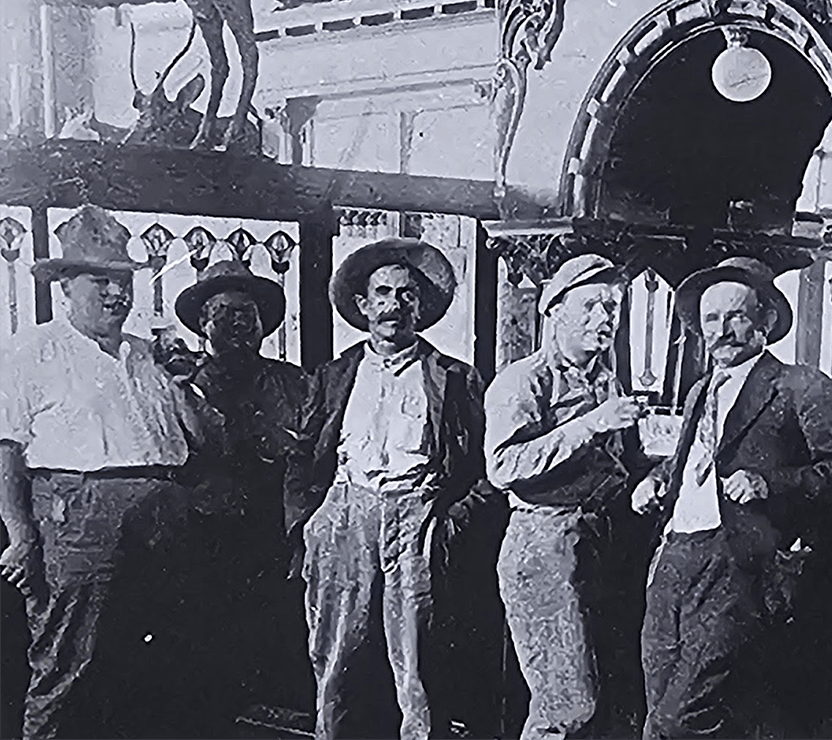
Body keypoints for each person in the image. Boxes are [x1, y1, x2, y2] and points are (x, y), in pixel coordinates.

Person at [630, 256, 832, 739]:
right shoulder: (702, 389)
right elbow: (701, 456)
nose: (723, 330)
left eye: (737, 316)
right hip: (675, 555)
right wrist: (658, 479)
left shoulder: (799, 385)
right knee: (658, 700)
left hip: (738, 565)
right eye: (711, 320)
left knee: (681, 717)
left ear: (765, 322)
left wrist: (770, 483)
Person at [0, 205, 216, 740]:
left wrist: (184, 381)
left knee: (157, 662)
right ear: (66, 287)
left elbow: (206, 443)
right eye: (102, 281)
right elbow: (4, 452)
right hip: (79, 519)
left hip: (165, 515)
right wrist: (21, 533)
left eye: (123, 281)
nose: (117, 294)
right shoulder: (32, 351)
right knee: (69, 661)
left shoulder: (149, 355)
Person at [286, 238, 497, 740]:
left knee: (417, 661)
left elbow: (484, 467)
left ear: (422, 307)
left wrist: (448, 525)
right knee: (336, 653)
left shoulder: (454, 378)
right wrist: (309, 524)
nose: (393, 306)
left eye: (406, 295)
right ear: (363, 306)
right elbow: (302, 457)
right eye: (382, 293)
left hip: (416, 517)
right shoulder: (335, 375)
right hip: (344, 515)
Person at [485, 253, 655, 740]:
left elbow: (617, 462)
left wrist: (642, 483)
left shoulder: (606, 379)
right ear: (554, 310)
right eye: (592, 306)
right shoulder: (522, 381)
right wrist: (592, 423)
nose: (605, 319)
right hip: (544, 546)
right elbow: (503, 467)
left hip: (599, 543)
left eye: (613, 308)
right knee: (567, 704)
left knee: (603, 701)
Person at [174, 258, 310, 725]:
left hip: (277, 531)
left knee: (280, 639)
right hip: (209, 535)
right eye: (224, 313)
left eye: (246, 314)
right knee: (213, 648)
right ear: (204, 324)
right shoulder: (184, 384)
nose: (237, 323)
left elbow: (313, 452)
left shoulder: (294, 382)